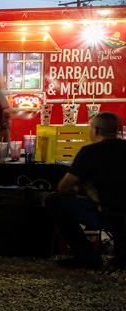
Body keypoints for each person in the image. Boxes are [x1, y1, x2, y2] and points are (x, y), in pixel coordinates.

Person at [46, 111, 126, 270]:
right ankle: (121, 256)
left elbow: (63, 187)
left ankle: (86, 255)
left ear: (95, 130)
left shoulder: (90, 151)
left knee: (53, 200)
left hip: (106, 215)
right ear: (119, 130)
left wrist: (79, 188)